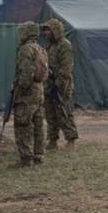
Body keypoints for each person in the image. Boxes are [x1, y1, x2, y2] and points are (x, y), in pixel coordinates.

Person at [8, 21, 46, 169]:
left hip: (27, 93)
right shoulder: (39, 48)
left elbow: (27, 72)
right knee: (37, 124)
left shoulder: (25, 49)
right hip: (39, 91)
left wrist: (19, 91)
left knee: (23, 125)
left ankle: (25, 160)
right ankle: (38, 156)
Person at [42, 18, 79, 151]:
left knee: (64, 113)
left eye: (48, 30)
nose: (46, 33)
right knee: (50, 115)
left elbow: (66, 68)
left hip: (62, 87)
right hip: (49, 86)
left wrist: (57, 85)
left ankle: (71, 139)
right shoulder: (49, 47)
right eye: (45, 30)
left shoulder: (65, 45)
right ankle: (52, 140)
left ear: (55, 31)